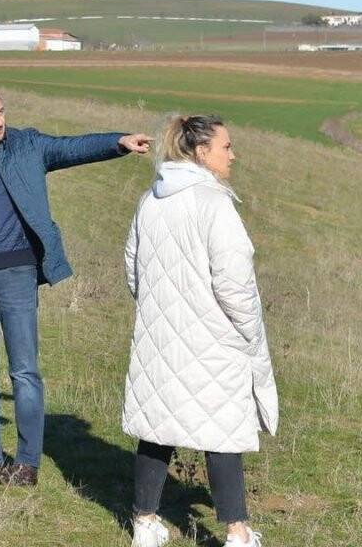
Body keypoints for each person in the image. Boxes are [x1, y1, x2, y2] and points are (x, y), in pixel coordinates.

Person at [0, 82, 152, 486]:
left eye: (1, 112)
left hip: (16, 275)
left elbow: (69, 148)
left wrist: (118, 142)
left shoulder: (25, 146)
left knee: (24, 372)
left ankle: (26, 464)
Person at [121, 115, 278, 547]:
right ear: (201, 152)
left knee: (157, 426)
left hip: (160, 335)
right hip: (214, 339)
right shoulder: (214, 204)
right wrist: (249, 334)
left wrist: (158, 311)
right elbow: (236, 286)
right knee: (222, 429)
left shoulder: (149, 201)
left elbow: (133, 270)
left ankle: (145, 523)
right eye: (227, 146)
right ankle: (237, 533)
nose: (233, 154)